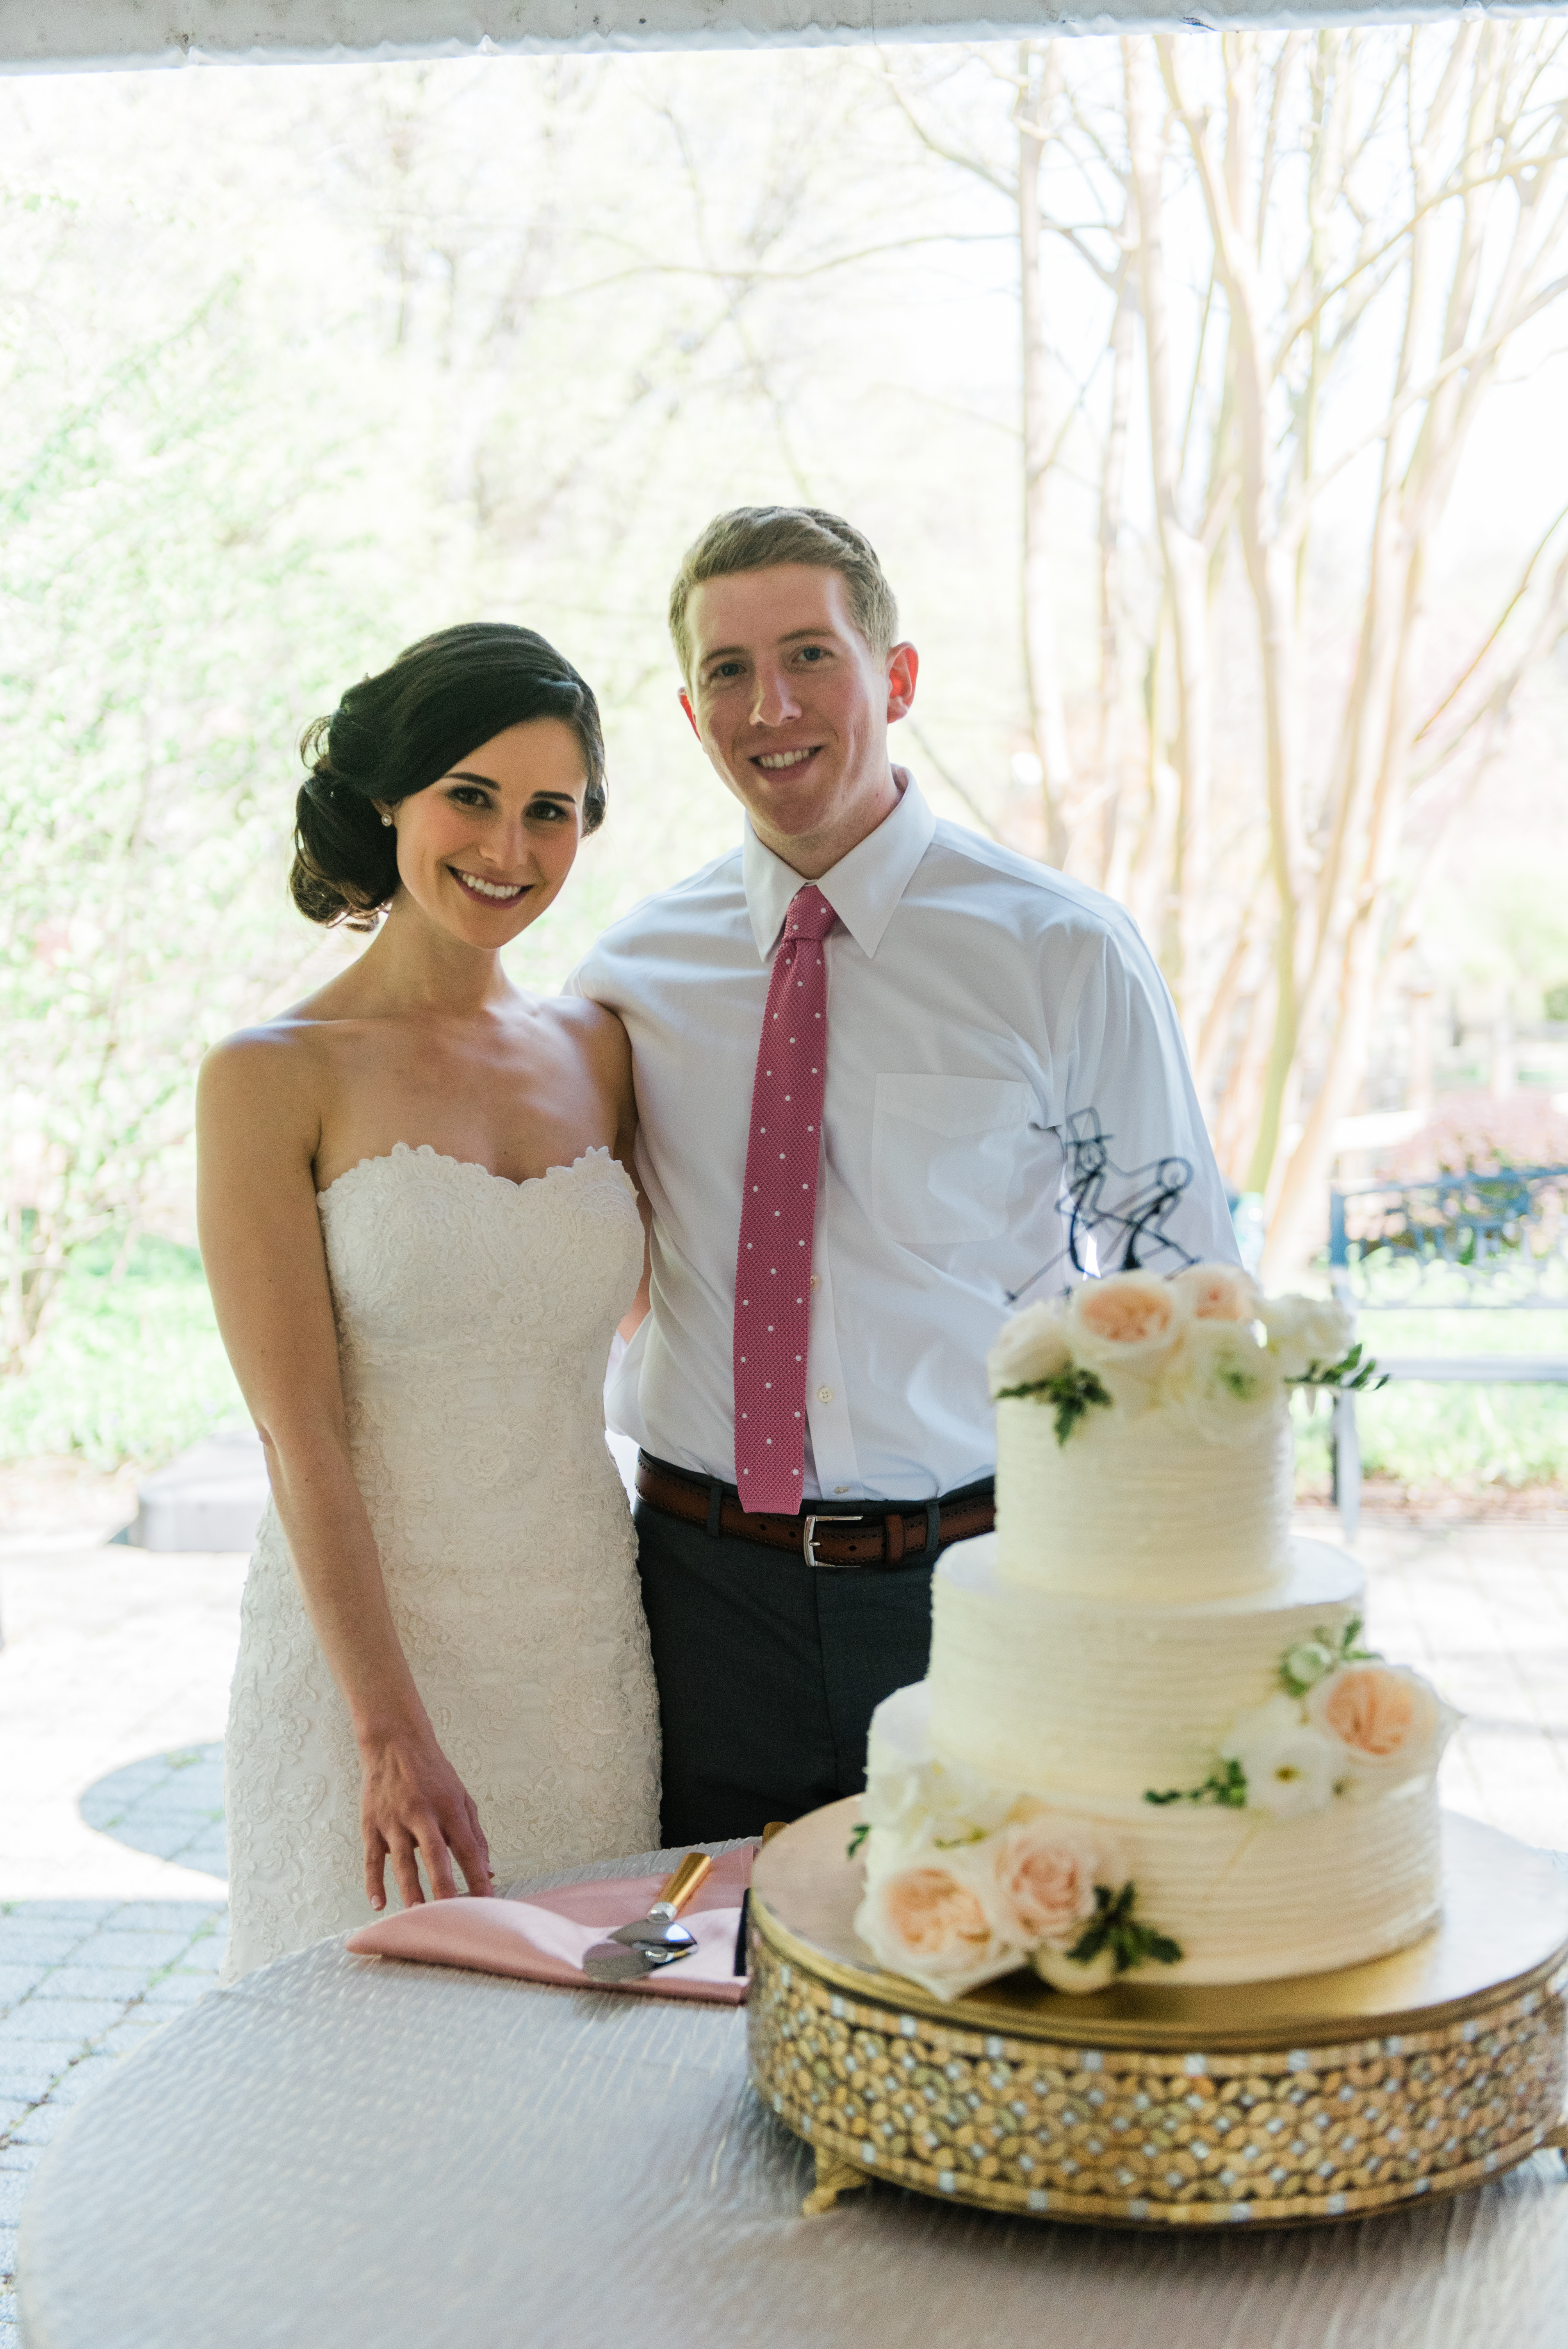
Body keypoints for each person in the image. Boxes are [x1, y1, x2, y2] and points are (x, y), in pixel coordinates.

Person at [570, 506, 1239, 1846]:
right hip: (695, 1599)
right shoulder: (633, 974)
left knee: (980, 1978)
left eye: (811, 654)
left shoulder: (1061, 954)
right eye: (727, 671)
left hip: (974, 1586)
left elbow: (1188, 1299)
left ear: (899, 678)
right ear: (692, 716)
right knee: (694, 2006)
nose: (772, 706)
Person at [201, 623, 659, 1981]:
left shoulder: (603, 1050)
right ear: (391, 796)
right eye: (471, 795)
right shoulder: (272, 1076)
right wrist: (387, 1733)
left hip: (580, 1656)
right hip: (357, 1673)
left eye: (550, 812)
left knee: (569, 2070)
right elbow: (301, 1438)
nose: (507, 849)